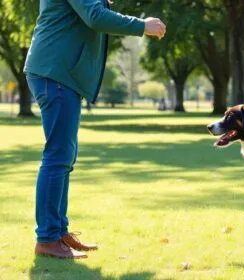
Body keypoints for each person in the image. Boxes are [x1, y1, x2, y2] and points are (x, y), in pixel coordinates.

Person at [24, 0, 166, 259]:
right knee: (57, 156)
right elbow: (95, 16)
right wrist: (142, 25)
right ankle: (47, 238)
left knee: (64, 157)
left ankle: (57, 232)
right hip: (55, 73)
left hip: (59, 74)